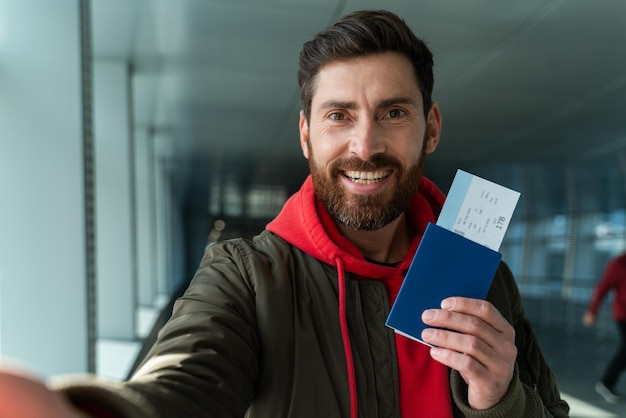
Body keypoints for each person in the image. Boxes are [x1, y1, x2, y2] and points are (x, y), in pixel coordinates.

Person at [0, 9, 569, 418]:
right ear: (305, 135)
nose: (365, 145)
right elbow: (182, 381)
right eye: (338, 116)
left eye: (393, 112)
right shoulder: (244, 277)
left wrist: (502, 403)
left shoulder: (483, 276)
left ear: (432, 127)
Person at [583, 252, 626, 404]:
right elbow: (603, 287)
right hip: (623, 314)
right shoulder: (619, 263)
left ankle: (607, 383)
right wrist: (592, 311)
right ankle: (606, 383)